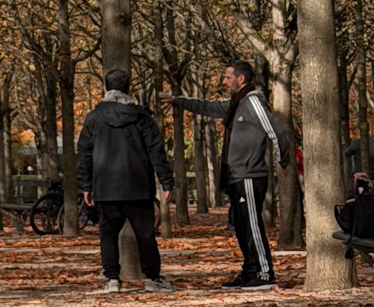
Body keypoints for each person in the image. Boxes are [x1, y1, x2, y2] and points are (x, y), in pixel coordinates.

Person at [172, 61, 283, 289]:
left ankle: (264, 273)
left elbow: (274, 130)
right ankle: (250, 270)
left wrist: (284, 159)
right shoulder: (236, 103)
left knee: (252, 225)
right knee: (242, 228)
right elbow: (208, 107)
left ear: (240, 79)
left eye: (227, 77)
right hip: (236, 175)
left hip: (250, 175)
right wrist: (178, 101)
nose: (224, 81)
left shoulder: (253, 100)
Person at [75, 70, 176, 294]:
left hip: (106, 187)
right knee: (146, 235)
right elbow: (156, 151)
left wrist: (86, 185)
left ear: (104, 88)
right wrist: (166, 182)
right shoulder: (141, 117)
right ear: (129, 89)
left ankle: (112, 278)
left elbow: (84, 153)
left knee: (108, 234)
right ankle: (152, 278)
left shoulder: (93, 118)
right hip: (138, 186)